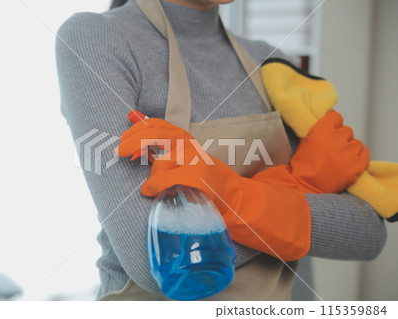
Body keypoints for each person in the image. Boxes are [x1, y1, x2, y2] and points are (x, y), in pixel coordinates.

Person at [55, 0, 386, 300]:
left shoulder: (270, 62)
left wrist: (231, 201)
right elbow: (156, 263)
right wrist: (302, 187)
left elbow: (367, 233)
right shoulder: (96, 39)